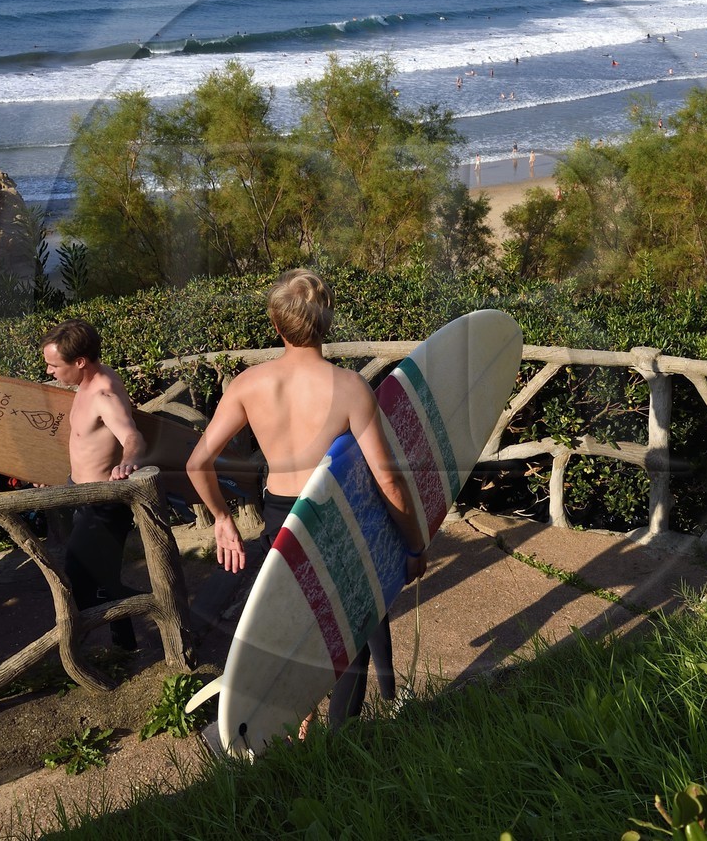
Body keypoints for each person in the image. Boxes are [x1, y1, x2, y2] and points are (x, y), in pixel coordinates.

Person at [186, 269, 427, 730]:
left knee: (299, 626)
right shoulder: (351, 388)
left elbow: (199, 462)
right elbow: (390, 482)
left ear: (277, 326)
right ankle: (342, 743)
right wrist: (414, 546)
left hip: (281, 515)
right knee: (349, 631)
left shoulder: (247, 384)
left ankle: (292, 726)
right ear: (328, 321)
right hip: (333, 517)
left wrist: (222, 519)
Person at [40, 319, 149, 652]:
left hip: (103, 504)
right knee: (101, 576)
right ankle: (125, 642)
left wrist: (128, 461)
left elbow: (133, 437)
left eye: (54, 365)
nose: (48, 371)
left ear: (80, 362)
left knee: (79, 573)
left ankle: (158, 604)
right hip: (83, 497)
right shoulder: (84, 383)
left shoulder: (103, 393)